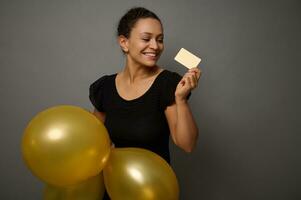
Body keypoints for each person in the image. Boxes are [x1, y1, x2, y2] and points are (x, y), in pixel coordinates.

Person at [89, 7, 201, 199]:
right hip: (113, 190)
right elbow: (93, 141)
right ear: (124, 42)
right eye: (146, 38)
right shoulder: (104, 87)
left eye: (160, 39)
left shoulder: (168, 84)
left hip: (152, 192)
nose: (155, 46)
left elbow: (187, 144)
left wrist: (181, 100)